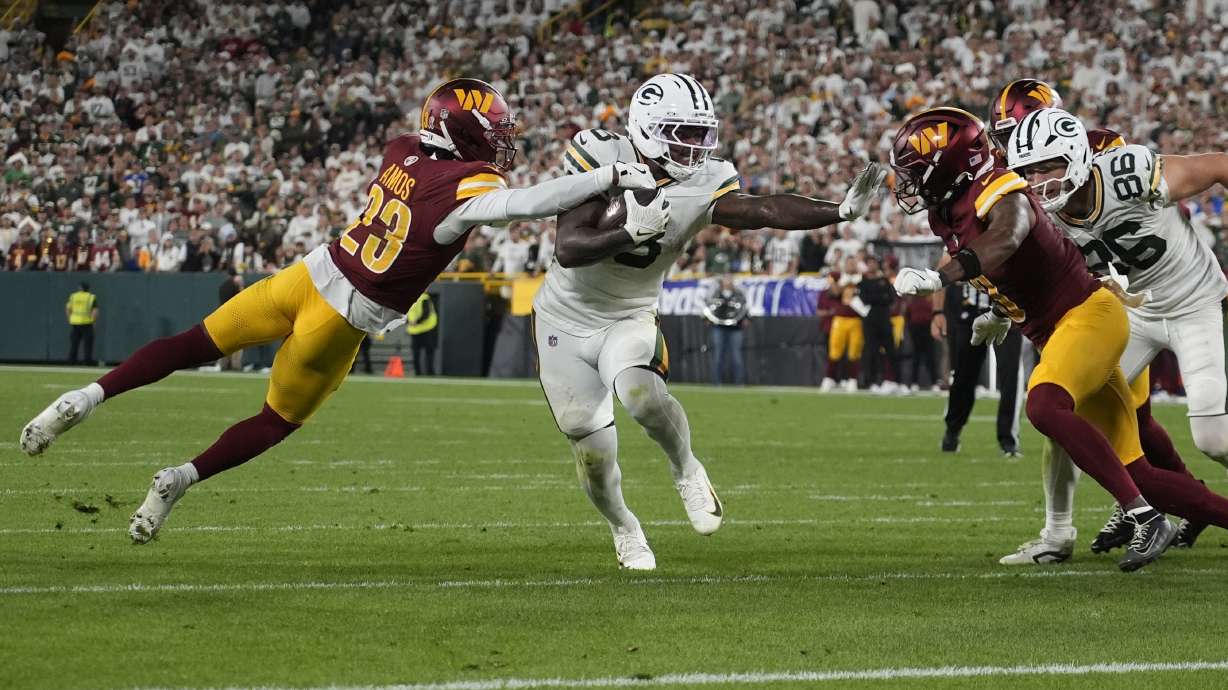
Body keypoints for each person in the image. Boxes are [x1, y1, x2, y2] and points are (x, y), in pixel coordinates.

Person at [20, 78, 658, 543]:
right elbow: (530, 202)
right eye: (491, 127)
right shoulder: (474, 186)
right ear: (463, 129)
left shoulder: (399, 148)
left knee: (193, 343)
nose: (500, 138)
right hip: (345, 315)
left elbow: (438, 179)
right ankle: (179, 480)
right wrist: (607, 178)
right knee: (274, 421)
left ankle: (83, 398)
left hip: (307, 273)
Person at [532, 73, 885, 569]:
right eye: (683, 132)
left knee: (642, 396)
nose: (695, 145)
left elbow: (763, 208)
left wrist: (838, 211)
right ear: (647, 127)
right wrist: (628, 231)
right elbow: (569, 248)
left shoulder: (703, 179)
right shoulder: (600, 155)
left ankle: (687, 469)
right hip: (564, 322)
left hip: (629, 314)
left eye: (701, 133)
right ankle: (624, 527)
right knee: (594, 455)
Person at [889, 107, 1173, 572]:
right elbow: (1014, 269)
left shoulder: (998, 186)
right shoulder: (950, 208)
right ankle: (1063, 533)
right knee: (1109, 452)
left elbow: (1007, 237)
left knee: (1045, 408)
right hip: (1057, 325)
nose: (911, 184)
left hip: (1087, 315)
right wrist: (998, 311)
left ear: (949, 168)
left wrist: (942, 279)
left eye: (919, 173)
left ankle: (1144, 516)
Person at [999, 106, 1228, 563]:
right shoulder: (1039, 214)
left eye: (1047, 167)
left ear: (1078, 158)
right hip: (1134, 314)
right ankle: (1058, 532)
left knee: (1213, 438)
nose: (1037, 181)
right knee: (1063, 410)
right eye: (1028, 171)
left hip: (1194, 302)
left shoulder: (1129, 173)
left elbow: (1218, 165)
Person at [931, 277, 1023, 456]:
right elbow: (942, 270)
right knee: (963, 377)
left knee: (1011, 376)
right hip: (972, 312)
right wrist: (937, 312)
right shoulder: (962, 247)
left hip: (1006, 313)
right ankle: (953, 429)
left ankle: (1008, 440)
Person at [819, 256, 865, 392]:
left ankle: (852, 379)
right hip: (840, 318)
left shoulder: (862, 278)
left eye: (853, 263)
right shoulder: (840, 277)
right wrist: (846, 283)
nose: (851, 266)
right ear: (845, 265)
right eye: (849, 263)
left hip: (856, 318)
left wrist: (855, 283)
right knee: (835, 350)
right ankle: (829, 378)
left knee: (854, 352)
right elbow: (834, 292)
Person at [858, 255, 902, 394]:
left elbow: (889, 298)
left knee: (891, 350)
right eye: (869, 263)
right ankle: (872, 381)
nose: (872, 265)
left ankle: (894, 381)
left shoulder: (884, 280)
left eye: (874, 263)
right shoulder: (863, 282)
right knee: (872, 350)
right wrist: (879, 297)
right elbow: (864, 299)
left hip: (884, 319)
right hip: (870, 321)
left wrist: (876, 298)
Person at [703, 274, 749, 385]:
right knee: (718, 355)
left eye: (730, 279)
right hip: (718, 327)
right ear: (721, 281)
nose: (728, 281)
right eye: (726, 279)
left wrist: (746, 318)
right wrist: (707, 318)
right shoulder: (715, 294)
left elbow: (745, 307)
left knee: (736, 356)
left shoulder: (739, 294)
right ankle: (716, 383)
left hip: (735, 328)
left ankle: (739, 383)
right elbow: (708, 307)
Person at [216, 271, 244, 371]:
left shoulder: (223, 286)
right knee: (238, 343)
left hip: (223, 317)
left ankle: (223, 365)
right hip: (234, 317)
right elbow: (241, 301)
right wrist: (240, 288)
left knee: (224, 343)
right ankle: (235, 365)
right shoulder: (235, 288)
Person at [66, 282, 98, 366]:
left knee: (74, 343)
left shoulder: (73, 296)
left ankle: (72, 361)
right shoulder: (91, 297)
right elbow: (95, 311)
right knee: (88, 344)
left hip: (75, 323)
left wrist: (70, 318)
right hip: (87, 322)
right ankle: (87, 361)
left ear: (79, 288)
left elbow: (68, 308)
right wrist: (93, 321)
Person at [407, 291, 437, 376]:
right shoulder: (424, 298)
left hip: (419, 329)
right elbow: (426, 313)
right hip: (425, 328)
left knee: (417, 352)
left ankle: (419, 372)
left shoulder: (410, 298)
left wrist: (412, 322)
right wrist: (416, 322)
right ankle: (428, 372)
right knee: (428, 352)